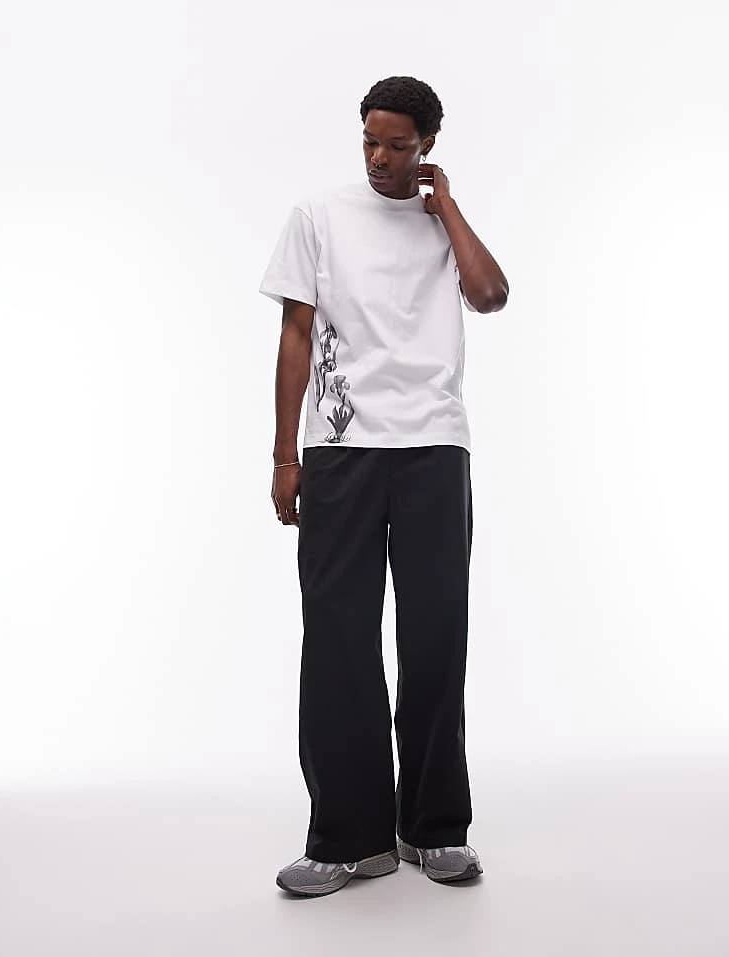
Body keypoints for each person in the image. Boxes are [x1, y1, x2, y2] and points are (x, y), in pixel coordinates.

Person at [258, 75, 509, 897]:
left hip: (434, 446)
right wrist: (285, 454)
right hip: (342, 449)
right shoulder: (318, 215)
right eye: (369, 140)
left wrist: (447, 208)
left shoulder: (443, 223)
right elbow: (296, 335)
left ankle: (434, 828)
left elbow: (491, 295)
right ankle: (347, 838)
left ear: (426, 145)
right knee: (338, 641)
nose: (378, 157)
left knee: (436, 637)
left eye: (397, 145)